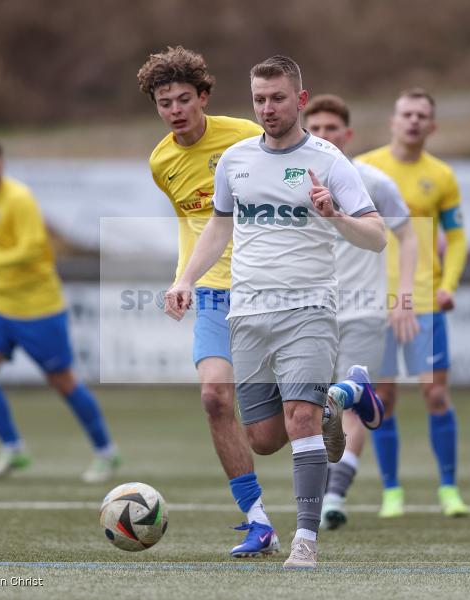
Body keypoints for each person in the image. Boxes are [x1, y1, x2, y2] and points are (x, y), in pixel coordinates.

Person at [165, 55, 386, 570]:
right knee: (264, 439)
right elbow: (218, 227)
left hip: (308, 308)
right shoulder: (237, 160)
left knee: (301, 419)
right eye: (260, 99)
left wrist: (333, 215)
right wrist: (184, 280)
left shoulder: (329, 161)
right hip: (248, 314)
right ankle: (346, 392)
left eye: (278, 98)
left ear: (301, 100)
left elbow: (375, 236)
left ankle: (305, 540)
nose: (268, 108)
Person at [137, 46, 283, 558]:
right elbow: (193, 226)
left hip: (268, 290)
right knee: (215, 397)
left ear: (203, 96)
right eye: (164, 102)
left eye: (183, 98)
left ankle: (338, 398)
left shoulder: (247, 137)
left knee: (266, 437)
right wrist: (184, 280)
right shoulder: (162, 162)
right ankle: (257, 520)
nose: (175, 110)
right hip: (214, 294)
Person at [0, 137, 119, 483]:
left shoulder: (20, 198)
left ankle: (106, 451)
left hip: (39, 308)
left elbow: (31, 249)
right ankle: (13, 448)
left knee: (62, 382)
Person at [302, 94, 418, 530]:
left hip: (365, 309)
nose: (325, 136)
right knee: (309, 407)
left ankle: (333, 496)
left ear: (347, 135)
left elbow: (408, 238)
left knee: (349, 400)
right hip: (311, 311)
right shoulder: (289, 182)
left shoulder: (374, 182)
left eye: (333, 128)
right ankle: (326, 486)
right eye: (316, 128)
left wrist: (403, 297)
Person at [357, 88, 469, 518]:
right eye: (407, 113)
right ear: (393, 120)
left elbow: (457, 238)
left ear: (432, 125)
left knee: (436, 394)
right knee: (382, 397)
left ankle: (448, 489)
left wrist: (450, 284)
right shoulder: (366, 168)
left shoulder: (441, 176)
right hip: (375, 302)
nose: (414, 121)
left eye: (422, 115)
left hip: (424, 301)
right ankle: (391, 492)